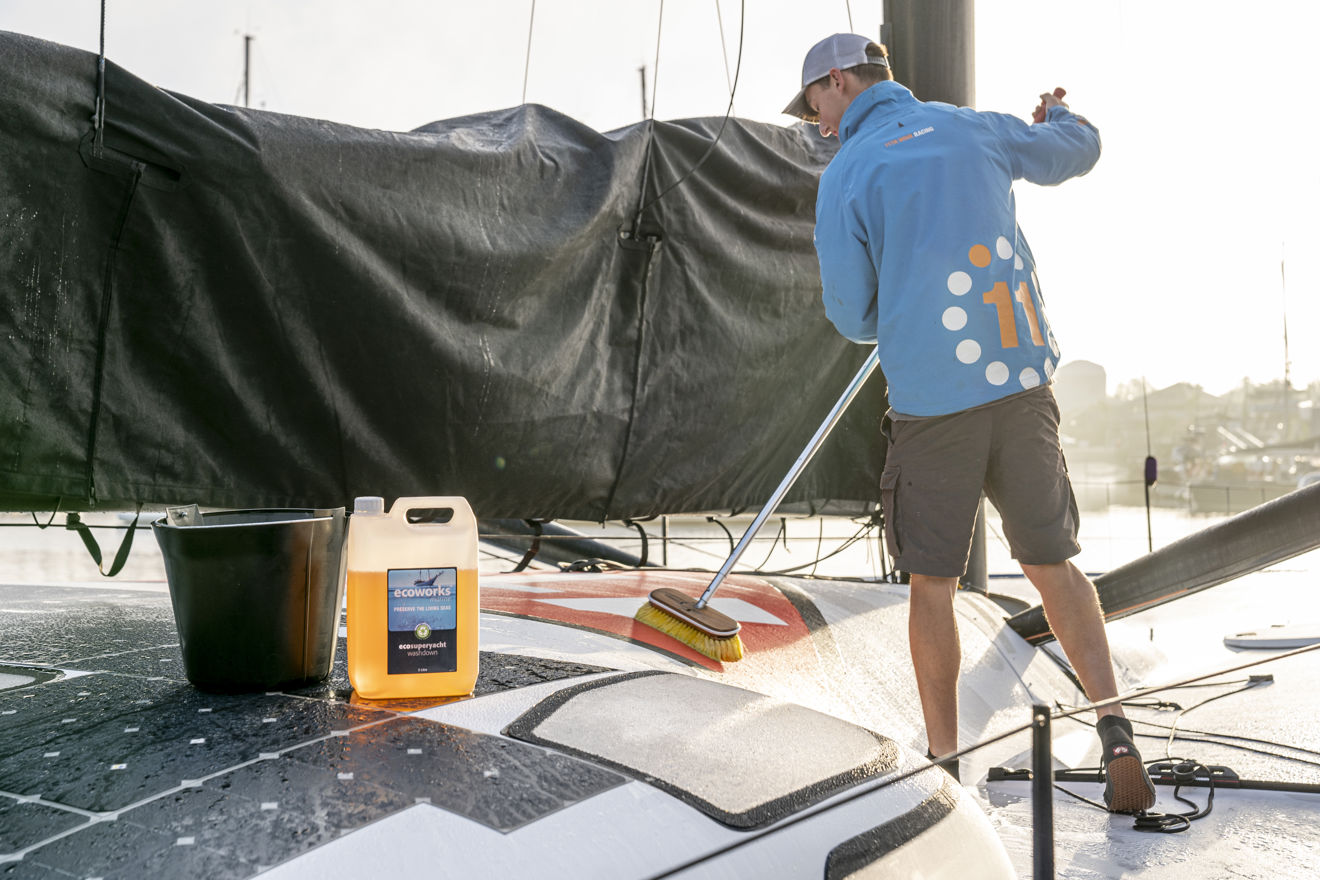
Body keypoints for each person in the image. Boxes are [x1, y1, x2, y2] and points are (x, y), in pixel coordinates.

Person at [784, 33, 1156, 813]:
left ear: (840, 82)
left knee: (932, 584)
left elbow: (852, 316)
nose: (816, 120)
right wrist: (1060, 114)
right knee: (1052, 565)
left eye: (815, 101)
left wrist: (906, 298)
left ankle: (947, 762)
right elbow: (1076, 150)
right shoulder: (974, 127)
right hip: (1022, 384)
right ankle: (1116, 729)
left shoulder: (848, 172)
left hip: (933, 404)